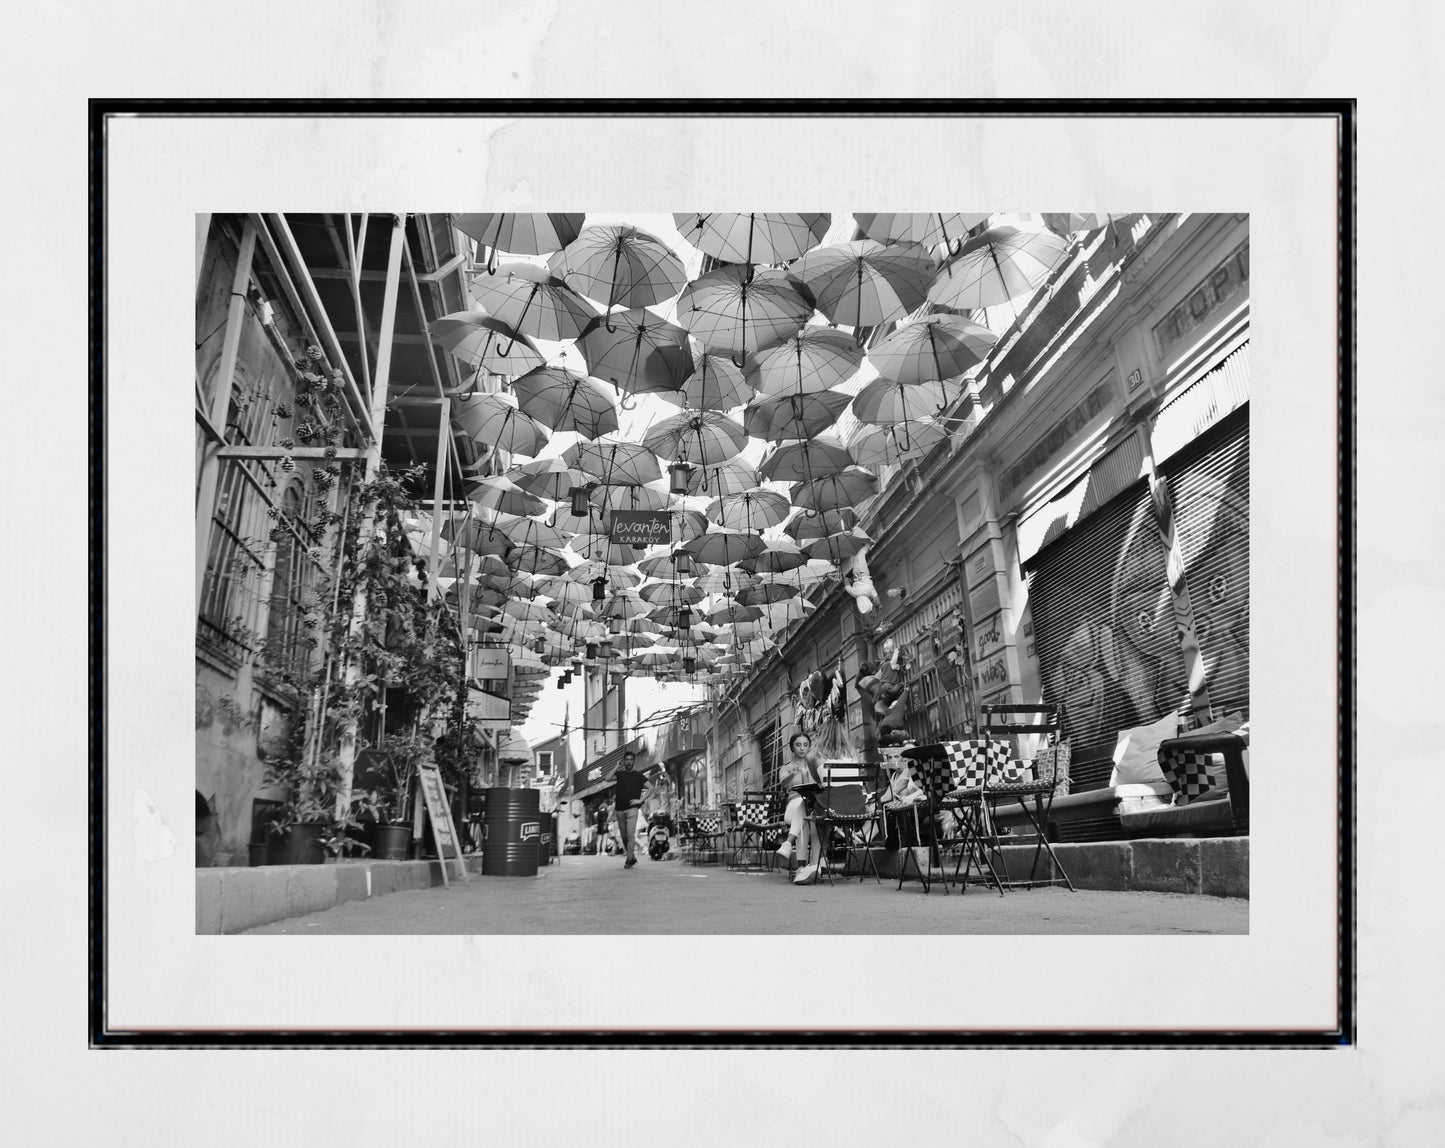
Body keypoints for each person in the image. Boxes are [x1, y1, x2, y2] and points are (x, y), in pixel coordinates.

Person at [775, 730, 828, 885]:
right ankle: (805, 865)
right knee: (803, 808)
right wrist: (793, 774)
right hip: (794, 804)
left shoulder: (816, 764)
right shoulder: (786, 767)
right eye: (798, 745)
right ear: (792, 747)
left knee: (811, 819)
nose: (802, 748)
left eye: (805, 745)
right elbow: (784, 783)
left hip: (813, 804)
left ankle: (806, 863)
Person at [612, 750, 656, 870]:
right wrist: (616, 766)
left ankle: (628, 860)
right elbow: (607, 778)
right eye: (627, 760)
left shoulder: (638, 776)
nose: (629, 762)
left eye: (631, 760)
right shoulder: (620, 774)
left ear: (634, 761)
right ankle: (632, 857)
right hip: (619, 809)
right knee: (624, 836)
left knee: (630, 835)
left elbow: (651, 788)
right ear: (624, 761)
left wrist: (641, 800)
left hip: (632, 809)